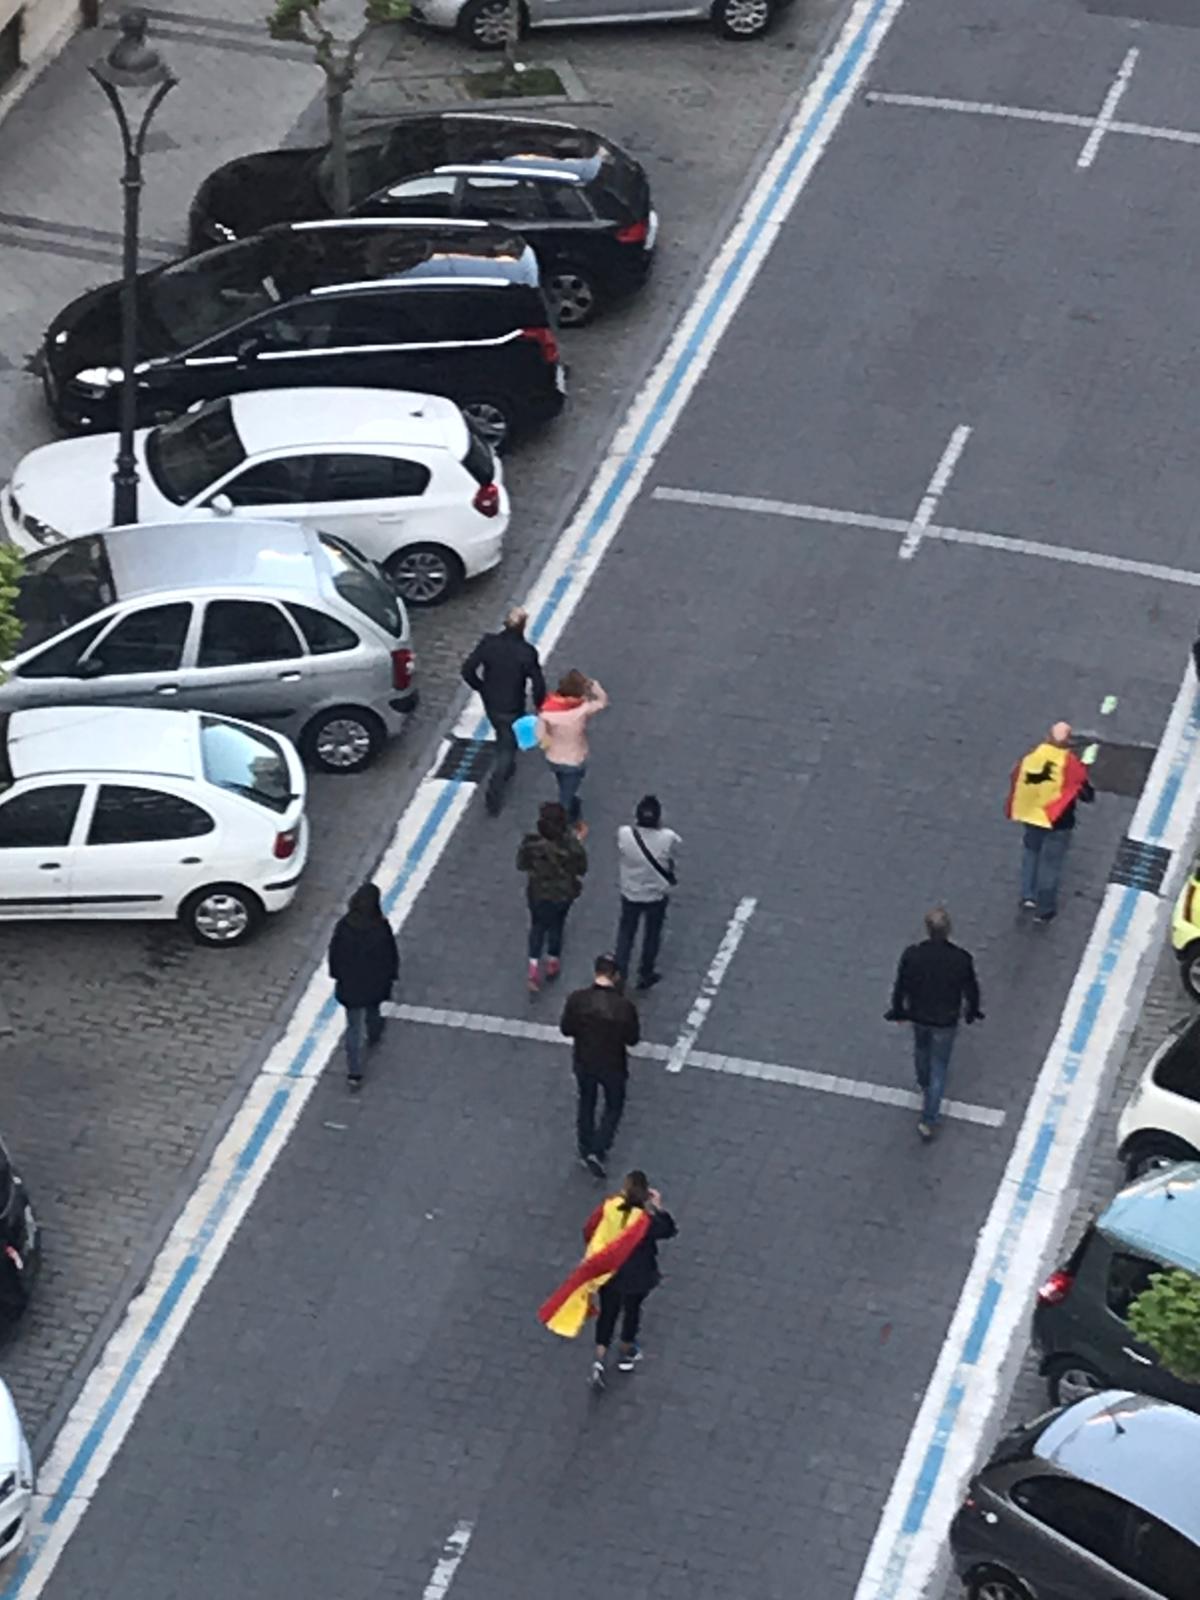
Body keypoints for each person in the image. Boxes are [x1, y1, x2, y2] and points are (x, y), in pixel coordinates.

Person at [537, 1169, 677, 1391]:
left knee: (608, 1314)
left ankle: (599, 1360)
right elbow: (669, 1230)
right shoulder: (645, 1222)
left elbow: (589, 1228)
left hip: (609, 1274)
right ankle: (626, 1350)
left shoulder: (609, 1207)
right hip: (637, 1279)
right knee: (632, 1311)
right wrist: (658, 1207)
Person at [886, 907, 983, 1141]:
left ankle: (923, 1082)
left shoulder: (912, 955)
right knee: (939, 1064)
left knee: (921, 1050)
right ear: (948, 930)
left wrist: (898, 1010)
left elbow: (901, 985)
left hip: (919, 1015)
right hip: (946, 1019)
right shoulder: (961, 958)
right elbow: (971, 989)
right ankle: (929, 1118)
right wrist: (972, 1012)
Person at [1005, 721, 1094, 925]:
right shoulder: (1069, 764)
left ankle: (1028, 895)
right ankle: (1044, 909)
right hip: (1058, 822)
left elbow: (1018, 779)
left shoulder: (1032, 758)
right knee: (1050, 865)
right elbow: (1085, 792)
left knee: (1031, 853)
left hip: (1032, 816)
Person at [559, 953, 639, 1178]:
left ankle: (584, 1146)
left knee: (586, 1100)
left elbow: (566, 1029)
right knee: (614, 1105)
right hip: (613, 1064)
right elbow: (632, 1038)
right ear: (615, 976)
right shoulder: (624, 1007)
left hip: (584, 1060)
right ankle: (599, 1147)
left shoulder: (577, 999)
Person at [461, 607, 546, 815]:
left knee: (502, 731)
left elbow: (468, 669)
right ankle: (495, 788)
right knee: (506, 749)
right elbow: (538, 684)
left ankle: (506, 764)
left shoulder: (489, 643)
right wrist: (539, 705)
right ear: (523, 626)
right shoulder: (526, 652)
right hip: (512, 705)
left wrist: (481, 687)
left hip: (491, 702)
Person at [327, 882, 400, 1090]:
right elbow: (390, 956)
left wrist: (337, 975)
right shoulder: (380, 927)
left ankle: (354, 1072)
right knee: (373, 1011)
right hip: (374, 983)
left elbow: (335, 954)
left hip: (350, 984)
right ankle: (375, 1034)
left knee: (353, 1027)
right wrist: (391, 977)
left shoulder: (345, 925)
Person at [516, 802, 587, 993]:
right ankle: (552, 961)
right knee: (557, 925)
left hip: (537, 893)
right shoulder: (571, 845)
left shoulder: (531, 843)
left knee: (537, 926)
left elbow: (521, 865)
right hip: (563, 895)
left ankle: (533, 970)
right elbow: (582, 869)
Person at [614, 795, 680, 991]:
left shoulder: (625, 834)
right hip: (655, 895)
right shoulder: (668, 838)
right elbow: (672, 860)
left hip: (630, 892)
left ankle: (619, 975)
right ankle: (646, 972)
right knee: (652, 934)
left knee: (626, 934)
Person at [537, 669, 608, 823]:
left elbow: (541, 737)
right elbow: (602, 701)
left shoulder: (547, 712)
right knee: (565, 798)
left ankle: (571, 804)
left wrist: (549, 745)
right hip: (575, 759)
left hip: (553, 758)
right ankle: (564, 822)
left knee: (563, 784)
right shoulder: (582, 710)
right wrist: (594, 686)